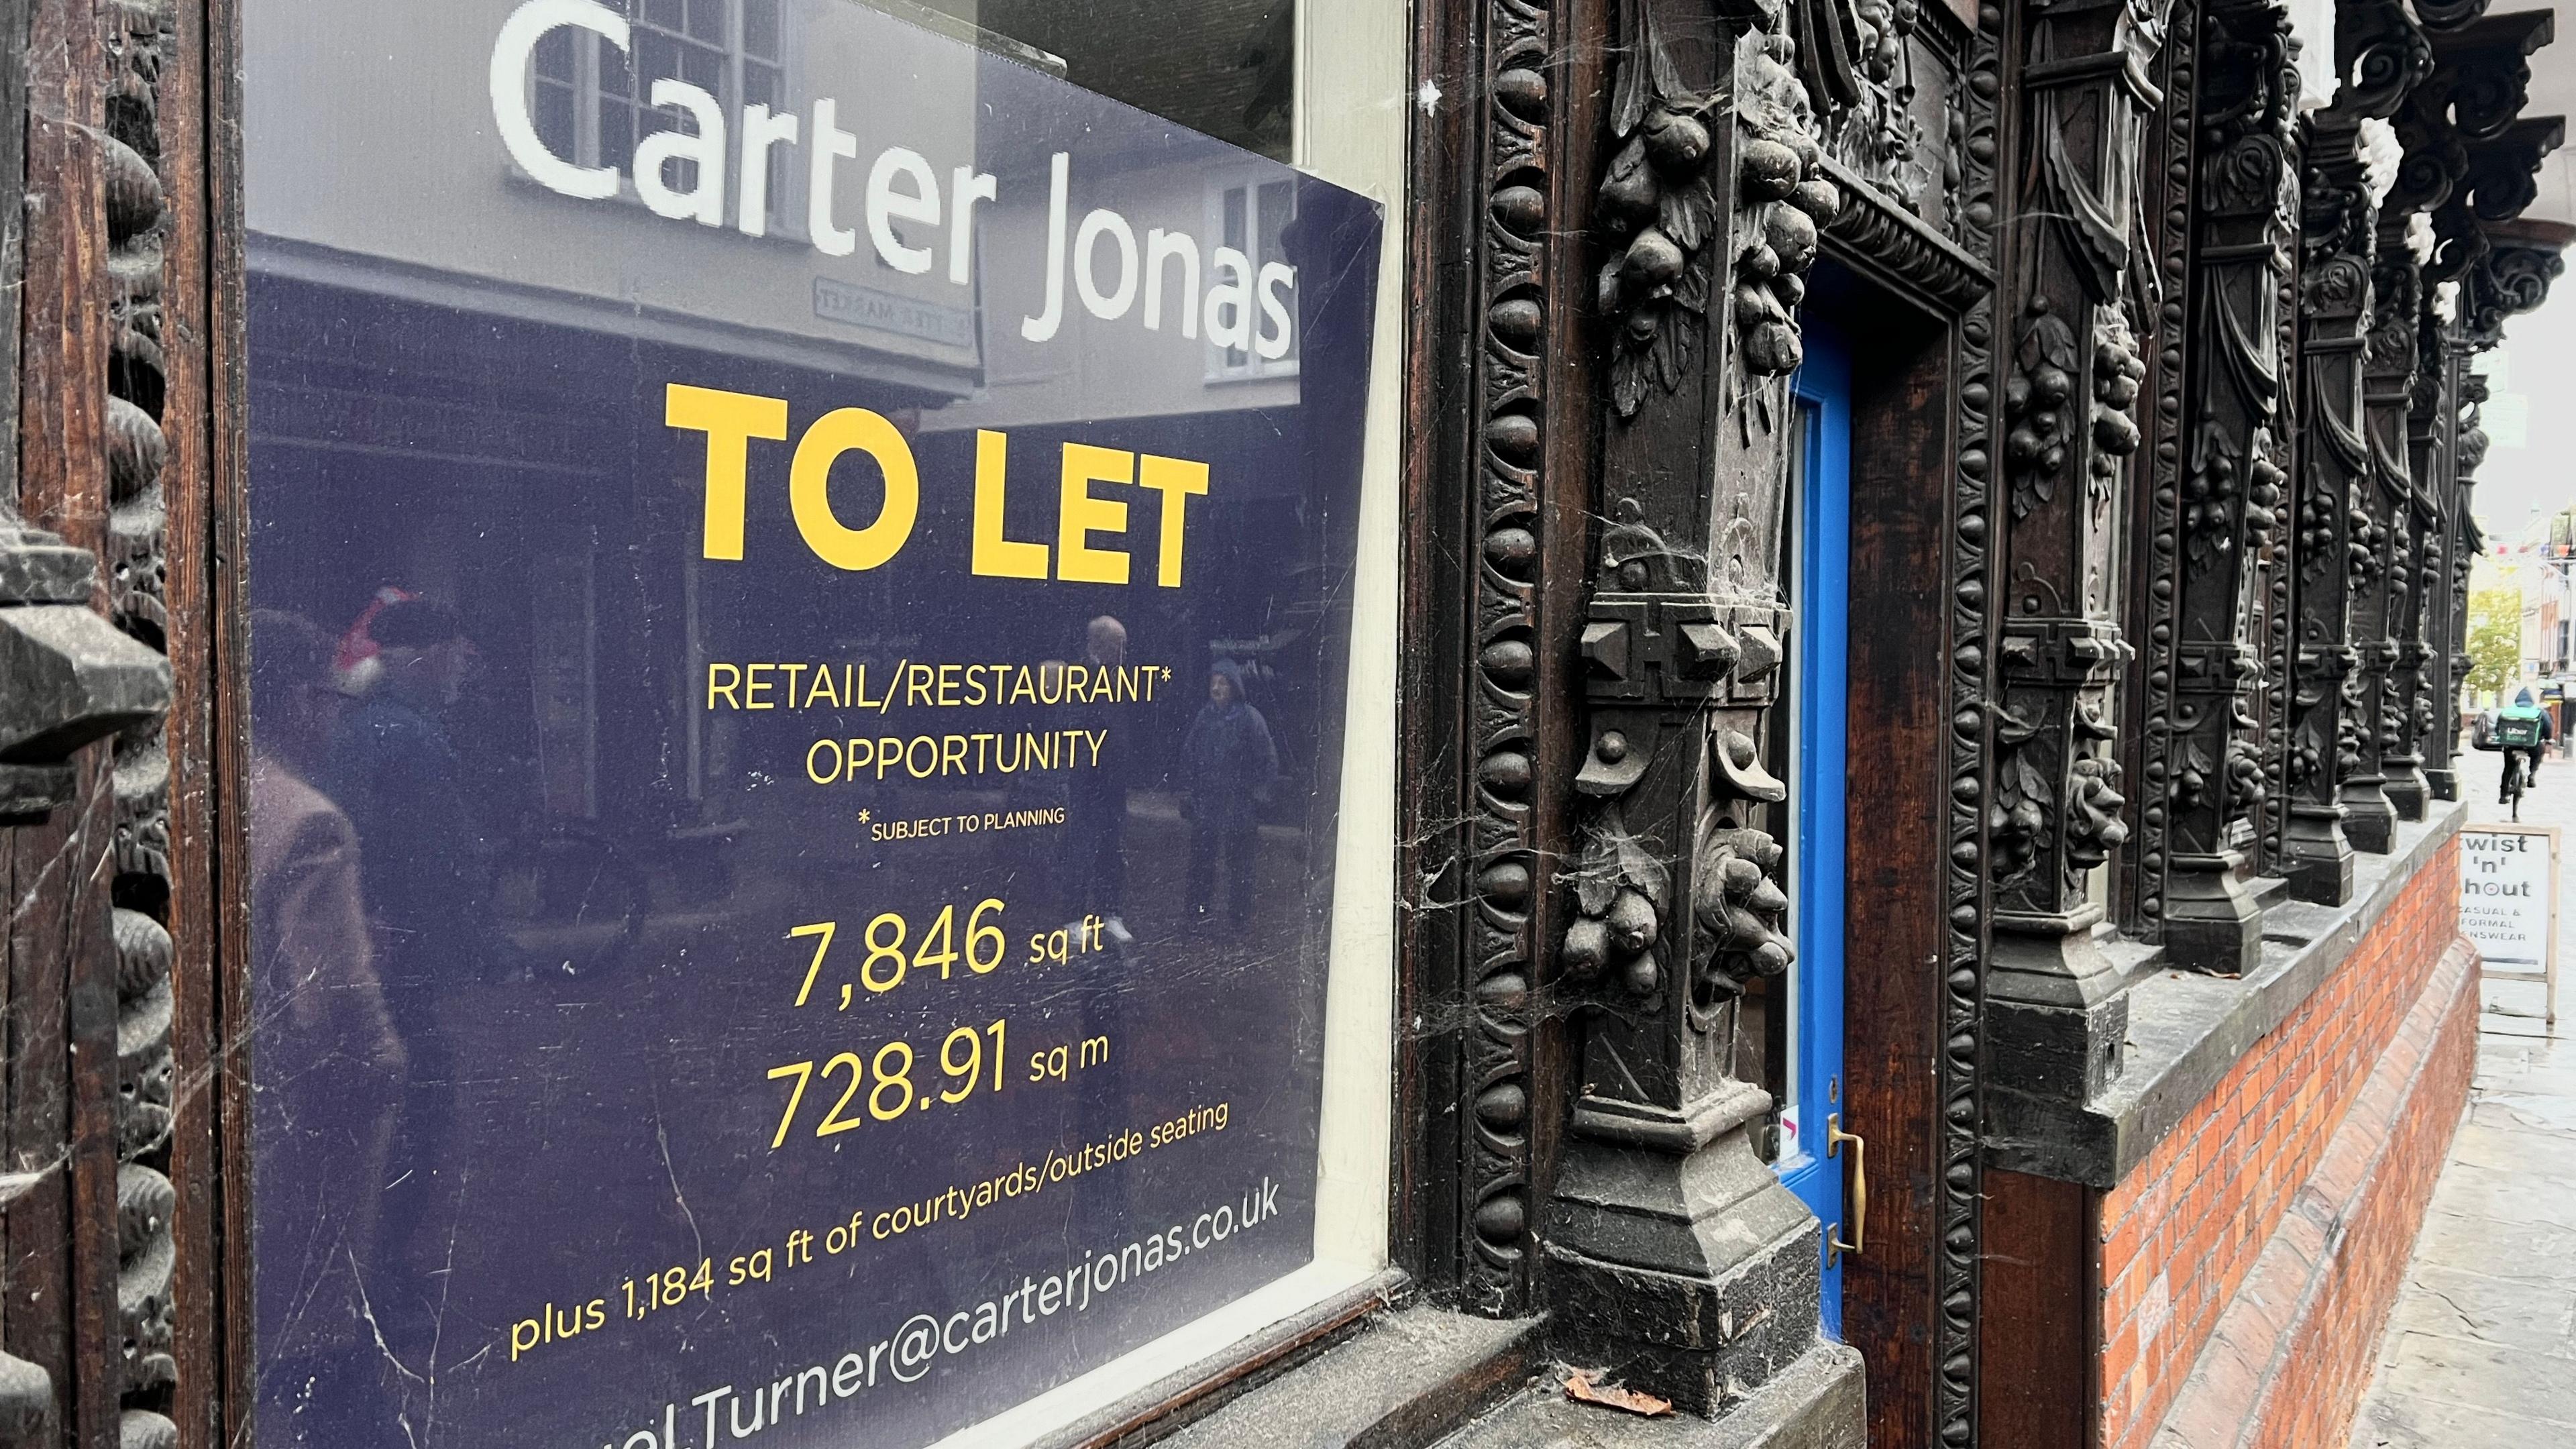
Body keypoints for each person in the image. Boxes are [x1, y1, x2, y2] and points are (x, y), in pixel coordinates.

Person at [247, 609, 406, 1444]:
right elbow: (339, 1010)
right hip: (302, 1141)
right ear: (297, 701)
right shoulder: (311, 822)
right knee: (326, 1362)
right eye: (329, 703)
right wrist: (390, 1072)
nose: (336, 721)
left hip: (239, 1130)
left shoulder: (214, 781)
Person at [1178, 659, 1279, 930]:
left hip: (1239, 802)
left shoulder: (1250, 719)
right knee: (1201, 861)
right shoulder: (1204, 717)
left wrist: (1260, 794)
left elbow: (1268, 759)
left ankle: (1239, 919)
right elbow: (1189, 755)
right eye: (1214, 683)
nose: (1217, 688)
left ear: (1234, 687)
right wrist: (1189, 791)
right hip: (1208, 801)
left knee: (1240, 865)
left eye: (1223, 683)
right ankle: (1197, 913)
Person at [1065, 616, 1135, 945]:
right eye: (1119, 645)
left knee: (1111, 845)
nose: (1124, 652)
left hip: (1112, 777)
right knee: (1080, 846)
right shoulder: (1079, 678)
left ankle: (1110, 913)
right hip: (1085, 776)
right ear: (1101, 645)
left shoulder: (1119, 678)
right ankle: (1074, 915)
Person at [2498, 686, 2557, 800]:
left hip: (2511, 745)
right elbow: (2548, 726)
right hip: (2532, 744)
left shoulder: (2507, 711)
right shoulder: (2539, 712)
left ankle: (2504, 795)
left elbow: (2498, 726)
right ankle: (2532, 774)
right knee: (2538, 753)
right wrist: (2548, 738)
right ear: (2531, 701)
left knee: (2508, 767)